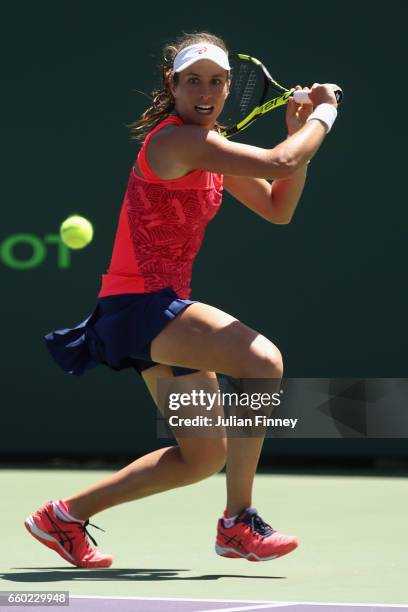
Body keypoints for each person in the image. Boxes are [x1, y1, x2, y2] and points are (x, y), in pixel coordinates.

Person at [25, 31, 340, 568]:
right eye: (193, 79)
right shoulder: (176, 142)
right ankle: (238, 520)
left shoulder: (209, 147)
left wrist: (295, 134)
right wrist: (323, 117)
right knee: (262, 361)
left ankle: (64, 516)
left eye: (217, 81)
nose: (206, 90)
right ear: (172, 85)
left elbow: (277, 203)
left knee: (201, 457)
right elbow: (280, 163)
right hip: (139, 307)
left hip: (155, 310)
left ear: (226, 88)